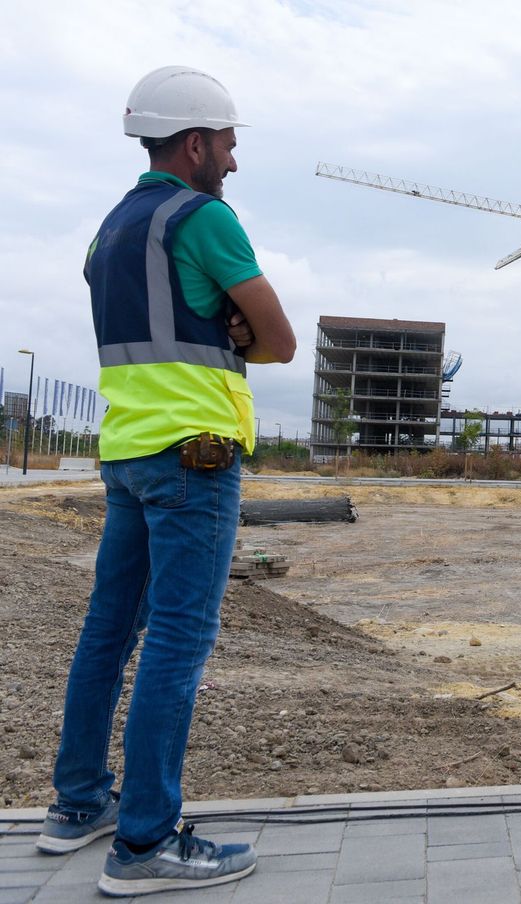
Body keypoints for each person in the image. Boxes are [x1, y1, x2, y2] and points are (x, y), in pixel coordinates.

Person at [36, 66, 295, 897]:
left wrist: (214, 323)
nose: (231, 159)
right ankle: (144, 845)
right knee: (177, 646)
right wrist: (235, 331)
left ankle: (78, 807)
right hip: (196, 459)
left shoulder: (109, 230)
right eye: (225, 142)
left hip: (129, 454)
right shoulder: (204, 218)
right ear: (193, 144)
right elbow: (281, 341)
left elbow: (152, 322)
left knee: (107, 633)